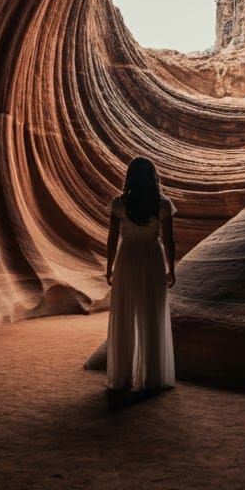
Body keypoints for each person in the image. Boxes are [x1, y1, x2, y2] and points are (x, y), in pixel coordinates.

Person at [104, 156, 177, 392]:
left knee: (125, 315)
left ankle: (123, 377)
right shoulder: (162, 204)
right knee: (152, 315)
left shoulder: (119, 204)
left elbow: (113, 238)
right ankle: (152, 377)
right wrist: (171, 268)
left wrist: (109, 267)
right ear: (153, 178)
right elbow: (168, 240)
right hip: (153, 259)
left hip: (127, 258)